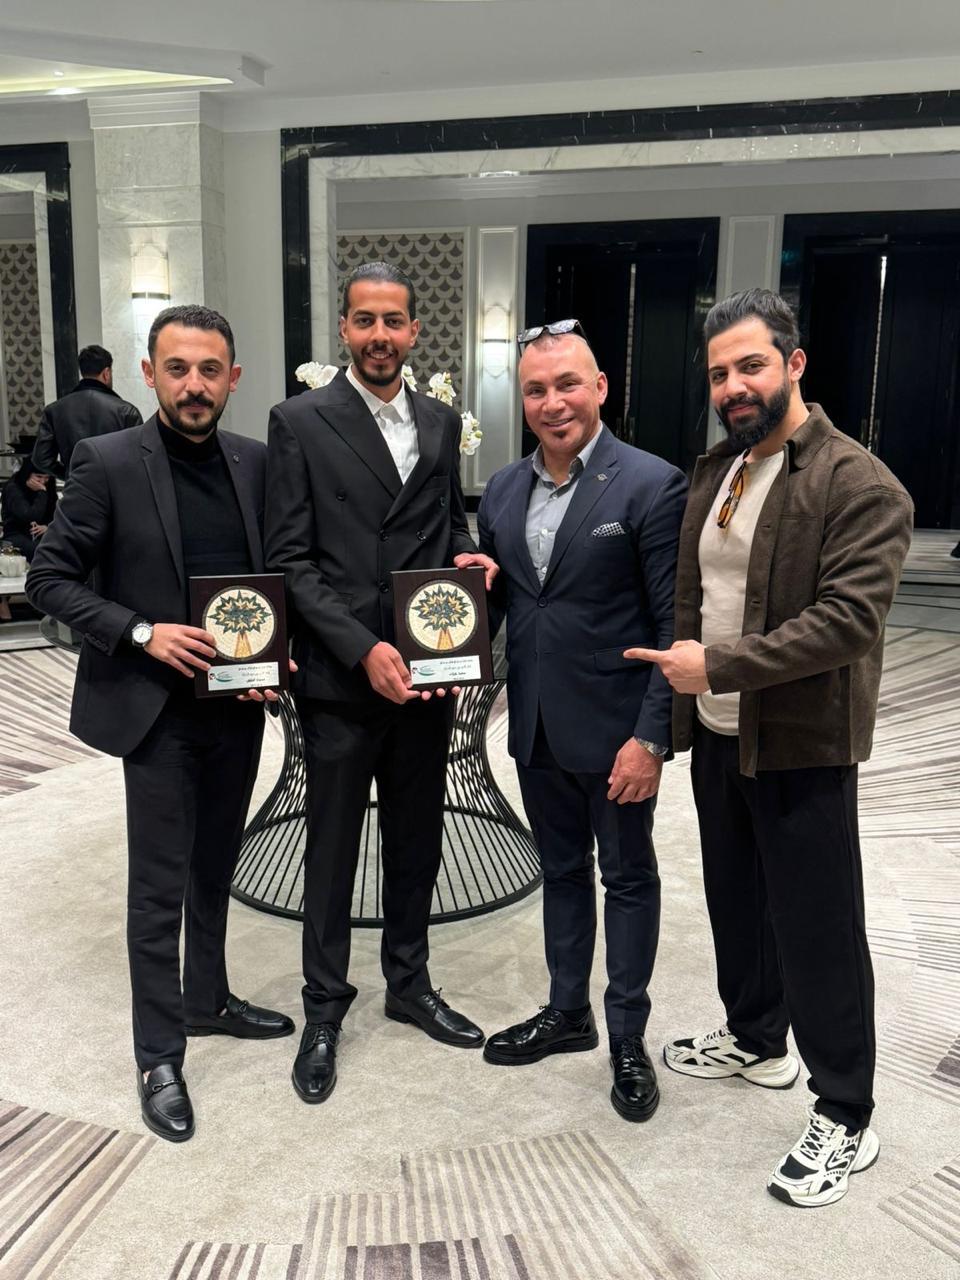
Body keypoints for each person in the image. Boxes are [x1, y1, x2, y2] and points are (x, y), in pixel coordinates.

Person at [627, 288, 913, 1206]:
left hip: (801, 742)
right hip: (722, 731)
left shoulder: (859, 484)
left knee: (818, 925)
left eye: (751, 365)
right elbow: (696, 592)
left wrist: (714, 666)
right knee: (738, 900)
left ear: (794, 364)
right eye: (719, 373)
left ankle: (847, 1109)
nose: (733, 386)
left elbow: (847, 622)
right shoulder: (721, 468)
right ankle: (756, 1038)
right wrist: (692, 693)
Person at [27, 305, 294, 1143]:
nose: (193, 385)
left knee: (216, 864)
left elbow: (276, 577)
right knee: (157, 886)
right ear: (149, 374)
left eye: (209, 370)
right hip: (154, 713)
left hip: (236, 706)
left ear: (233, 378)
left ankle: (207, 998)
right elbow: (49, 579)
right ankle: (159, 1055)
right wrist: (143, 632)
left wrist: (277, 656)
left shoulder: (256, 461)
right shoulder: (106, 461)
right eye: (177, 369)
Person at [265, 261, 497, 1105]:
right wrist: (364, 648)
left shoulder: (439, 420)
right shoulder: (299, 420)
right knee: (330, 851)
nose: (379, 336)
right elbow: (290, 559)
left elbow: (446, 522)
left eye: (393, 321)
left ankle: (409, 981)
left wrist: (468, 562)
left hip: (426, 675)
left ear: (414, 330)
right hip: (342, 676)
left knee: (416, 838)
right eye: (364, 320)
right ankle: (325, 1008)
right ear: (343, 329)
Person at [476, 322, 687, 1122]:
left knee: (626, 878)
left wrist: (651, 738)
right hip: (534, 724)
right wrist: (481, 586)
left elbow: (673, 626)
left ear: (600, 387)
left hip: (617, 732)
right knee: (562, 874)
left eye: (568, 384)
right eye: (536, 389)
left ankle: (627, 1037)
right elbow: (517, 601)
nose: (553, 402)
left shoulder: (651, 484)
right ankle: (568, 1012)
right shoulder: (503, 489)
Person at [32, 343, 142, 478]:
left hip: (76, 487)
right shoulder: (126, 412)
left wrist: (69, 475)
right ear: (106, 373)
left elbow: (41, 459)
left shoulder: (54, 410)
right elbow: (140, 459)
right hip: (114, 488)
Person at [1, 458, 56, 560]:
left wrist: (47, 527)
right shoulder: (13, 488)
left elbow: (55, 513)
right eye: (38, 477)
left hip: (42, 534)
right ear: (27, 474)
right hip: (16, 534)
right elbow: (29, 515)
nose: (42, 481)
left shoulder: (49, 485)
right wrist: (42, 493)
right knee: (42, 550)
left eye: (47, 478)